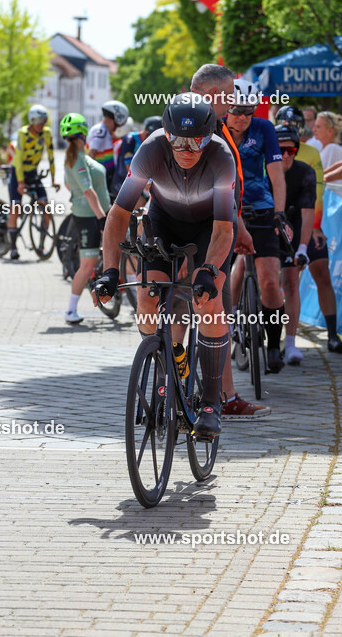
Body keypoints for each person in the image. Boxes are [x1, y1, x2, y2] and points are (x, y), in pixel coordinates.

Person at [92, 93, 236, 438]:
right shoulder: (151, 150)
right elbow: (119, 214)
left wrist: (208, 272)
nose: (186, 149)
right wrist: (110, 270)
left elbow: (223, 230)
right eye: (177, 140)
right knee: (147, 297)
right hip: (164, 221)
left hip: (207, 229)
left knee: (209, 302)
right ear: (166, 134)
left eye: (196, 141)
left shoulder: (222, 157)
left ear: (209, 136)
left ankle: (212, 403)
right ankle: (164, 365)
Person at [190, 64, 266, 418]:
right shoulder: (194, 125)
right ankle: (214, 396)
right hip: (206, 231)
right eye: (228, 96)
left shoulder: (216, 125)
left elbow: (228, 188)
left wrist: (240, 226)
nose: (233, 102)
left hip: (221, 225)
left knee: (211, 311)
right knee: (211, 309)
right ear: (210, 95)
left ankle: (219, 393)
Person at [227, 78, 290, 373]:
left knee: (268, 281)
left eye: (249, 111)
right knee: (221, 276)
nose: (243, 117)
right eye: (237, 110)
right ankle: (226, 327)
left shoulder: (264, 128)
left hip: (260, 206)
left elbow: (276, 175)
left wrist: (279, 212)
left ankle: (274, 343)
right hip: (224, 207)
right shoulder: (216, 128)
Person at [275, 124, 342, 361]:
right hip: (269, 224)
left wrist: (310, 235)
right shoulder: (265, 163)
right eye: (281, 149)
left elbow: (312, 205)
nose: (286, 154)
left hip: (305, 226)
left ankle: (332, 334)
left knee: (317, 272)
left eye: (291, 149)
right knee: (247, 268)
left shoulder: (309, 161)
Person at [59, 113, 110, 325]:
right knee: (87, 265)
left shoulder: (76, 156)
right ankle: (70, 310)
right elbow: (87, 191)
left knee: (118, 252)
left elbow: (69, 185)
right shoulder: (77, 159)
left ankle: (134, 300)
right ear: (83, 132)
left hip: (92, 213)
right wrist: (101, 218)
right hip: (89, 216)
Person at [8, 104, 57, 260]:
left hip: (33, 173)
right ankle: (13, 248)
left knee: (45, 207)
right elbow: (18, 159)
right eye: (39, 122)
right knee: (15, 208)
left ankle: (41, 245)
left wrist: (54, 179)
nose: (42, 125)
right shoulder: (23, 133)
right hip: (18, 173)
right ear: (32, 121)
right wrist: (21, 182)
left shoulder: (46, 133)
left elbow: (51, 156)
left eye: (44, 121)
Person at [110, 116, 161, 199]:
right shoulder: (130, 139)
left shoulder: (149, 143)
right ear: (147, 132)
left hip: (136, 182)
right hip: (122, 182)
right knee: (141, 203)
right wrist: (144, 184)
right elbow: (128, 166)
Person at [87, 100, 129, 183]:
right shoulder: (101, 130)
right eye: (117, 126)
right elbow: (92, 153)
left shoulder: (104, 130)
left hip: (104, 176)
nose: (117, 128)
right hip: (100, 178)